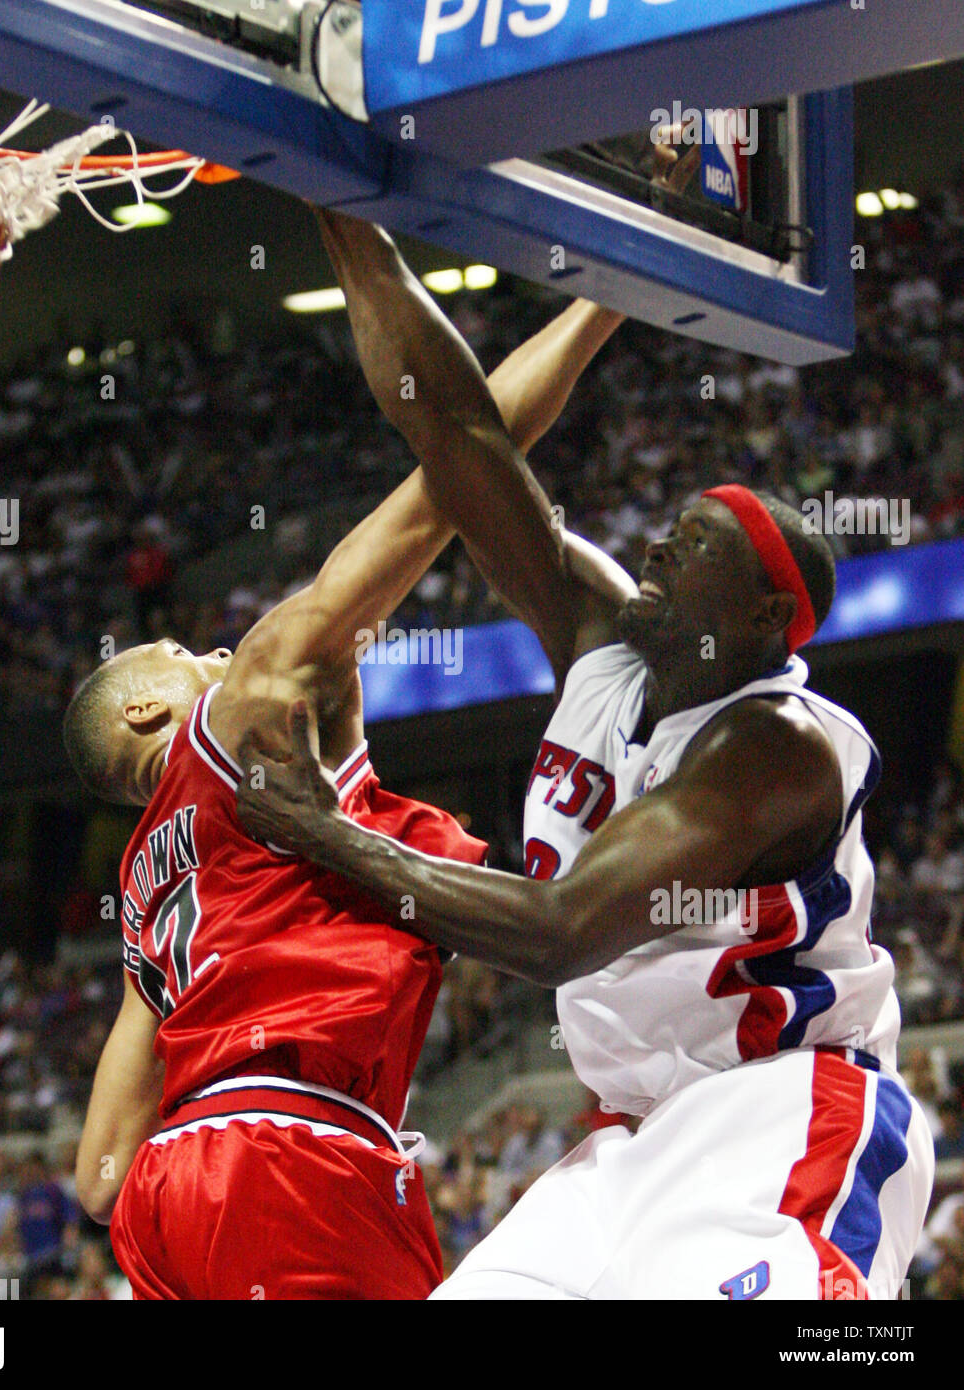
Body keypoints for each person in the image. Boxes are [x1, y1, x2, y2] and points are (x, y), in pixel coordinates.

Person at [234, 210, 935, 1301]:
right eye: (668, 524)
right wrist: (340, 209)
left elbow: (560, 932)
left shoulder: (774, 748)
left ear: (759, 617)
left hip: (774, 1107)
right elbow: (458, 435)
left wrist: (322, 831)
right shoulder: (601, 644)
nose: (657, 543)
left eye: (696, 541)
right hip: (622, 1140)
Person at [62, 211, 638, 1299]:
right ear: (146, 710)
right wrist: (612, 298)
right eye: (186, 651)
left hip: (172, 1203)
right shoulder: (244, 710)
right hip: (290, 1153)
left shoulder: (148, 895)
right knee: (463, 470)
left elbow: (97, 1177)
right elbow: (461, 467)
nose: (220, 649)